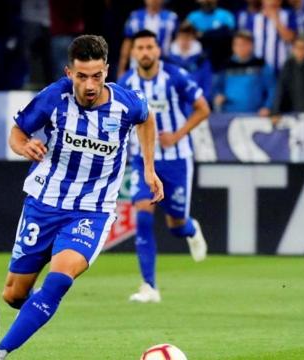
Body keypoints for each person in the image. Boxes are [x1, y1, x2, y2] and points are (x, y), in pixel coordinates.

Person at [0, 34, 164, 360]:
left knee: (59, 281)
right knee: (14, 296)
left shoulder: (126, 103)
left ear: (107, 70)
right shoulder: (53, 98)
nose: (90, 84)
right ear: (69, 73)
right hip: (43, 204)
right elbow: (17, 132)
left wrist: (149, 168)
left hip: (91, 211)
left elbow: (146, 119)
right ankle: (17, 302)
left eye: (97, 75)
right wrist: (24, 146)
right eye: (82, 76)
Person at [118, 30, 210, 303]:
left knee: (175, 224)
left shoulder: (176, 76)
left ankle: (191, 229)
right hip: (143, 160)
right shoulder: (126, 83)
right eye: (140, 48)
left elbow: (203, 108)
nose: (145, 52)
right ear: (134, 52)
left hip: (177, 160)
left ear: (158, 50)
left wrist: (178, 135)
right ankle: (149, 286)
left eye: (149, 47)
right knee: (143, 216)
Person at [213, 30, 275, 115]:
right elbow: (217, 87)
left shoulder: (261, 65)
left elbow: (272, 89)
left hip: (254, 115)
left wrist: (267, 107)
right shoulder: (226, 65)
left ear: (251, 45)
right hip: (229, 115)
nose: (240, 48)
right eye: (236, 44)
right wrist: (217, 97)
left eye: (243, 44)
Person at [118, 0, 179, 79]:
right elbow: (127, 43)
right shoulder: (135, 17)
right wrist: (121, 68)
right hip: (137, 65)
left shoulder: (172, 17)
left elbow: (176, 42)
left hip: (165, 64)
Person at [271, 36, 304, 120]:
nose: (300, 51)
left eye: (303, 48)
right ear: (293, 49)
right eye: (298, 48)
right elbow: (280, 91)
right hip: (289, 115)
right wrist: (275, 112)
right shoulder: (287, 67)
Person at [238, 0, 297, 73]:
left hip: (283, 69)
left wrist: (275, 19)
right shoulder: (254, 18)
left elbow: (290, 38)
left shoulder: (288, 15)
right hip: (260, 70)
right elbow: (247, 44)